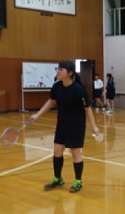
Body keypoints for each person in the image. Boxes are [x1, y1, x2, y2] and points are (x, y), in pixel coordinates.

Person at [30, 61, 100, 193]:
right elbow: (51, 101)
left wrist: (94, 127)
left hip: (76, 125)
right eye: (58, 69)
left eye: (61, 69)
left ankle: (78, 181)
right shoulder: (57, 86)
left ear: (70, 73)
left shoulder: (78, 89)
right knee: (57, 151)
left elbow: (87, 109)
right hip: (62, 124)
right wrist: (38, 114)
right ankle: (57, 178)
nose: (58, 71)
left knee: (76, 153)